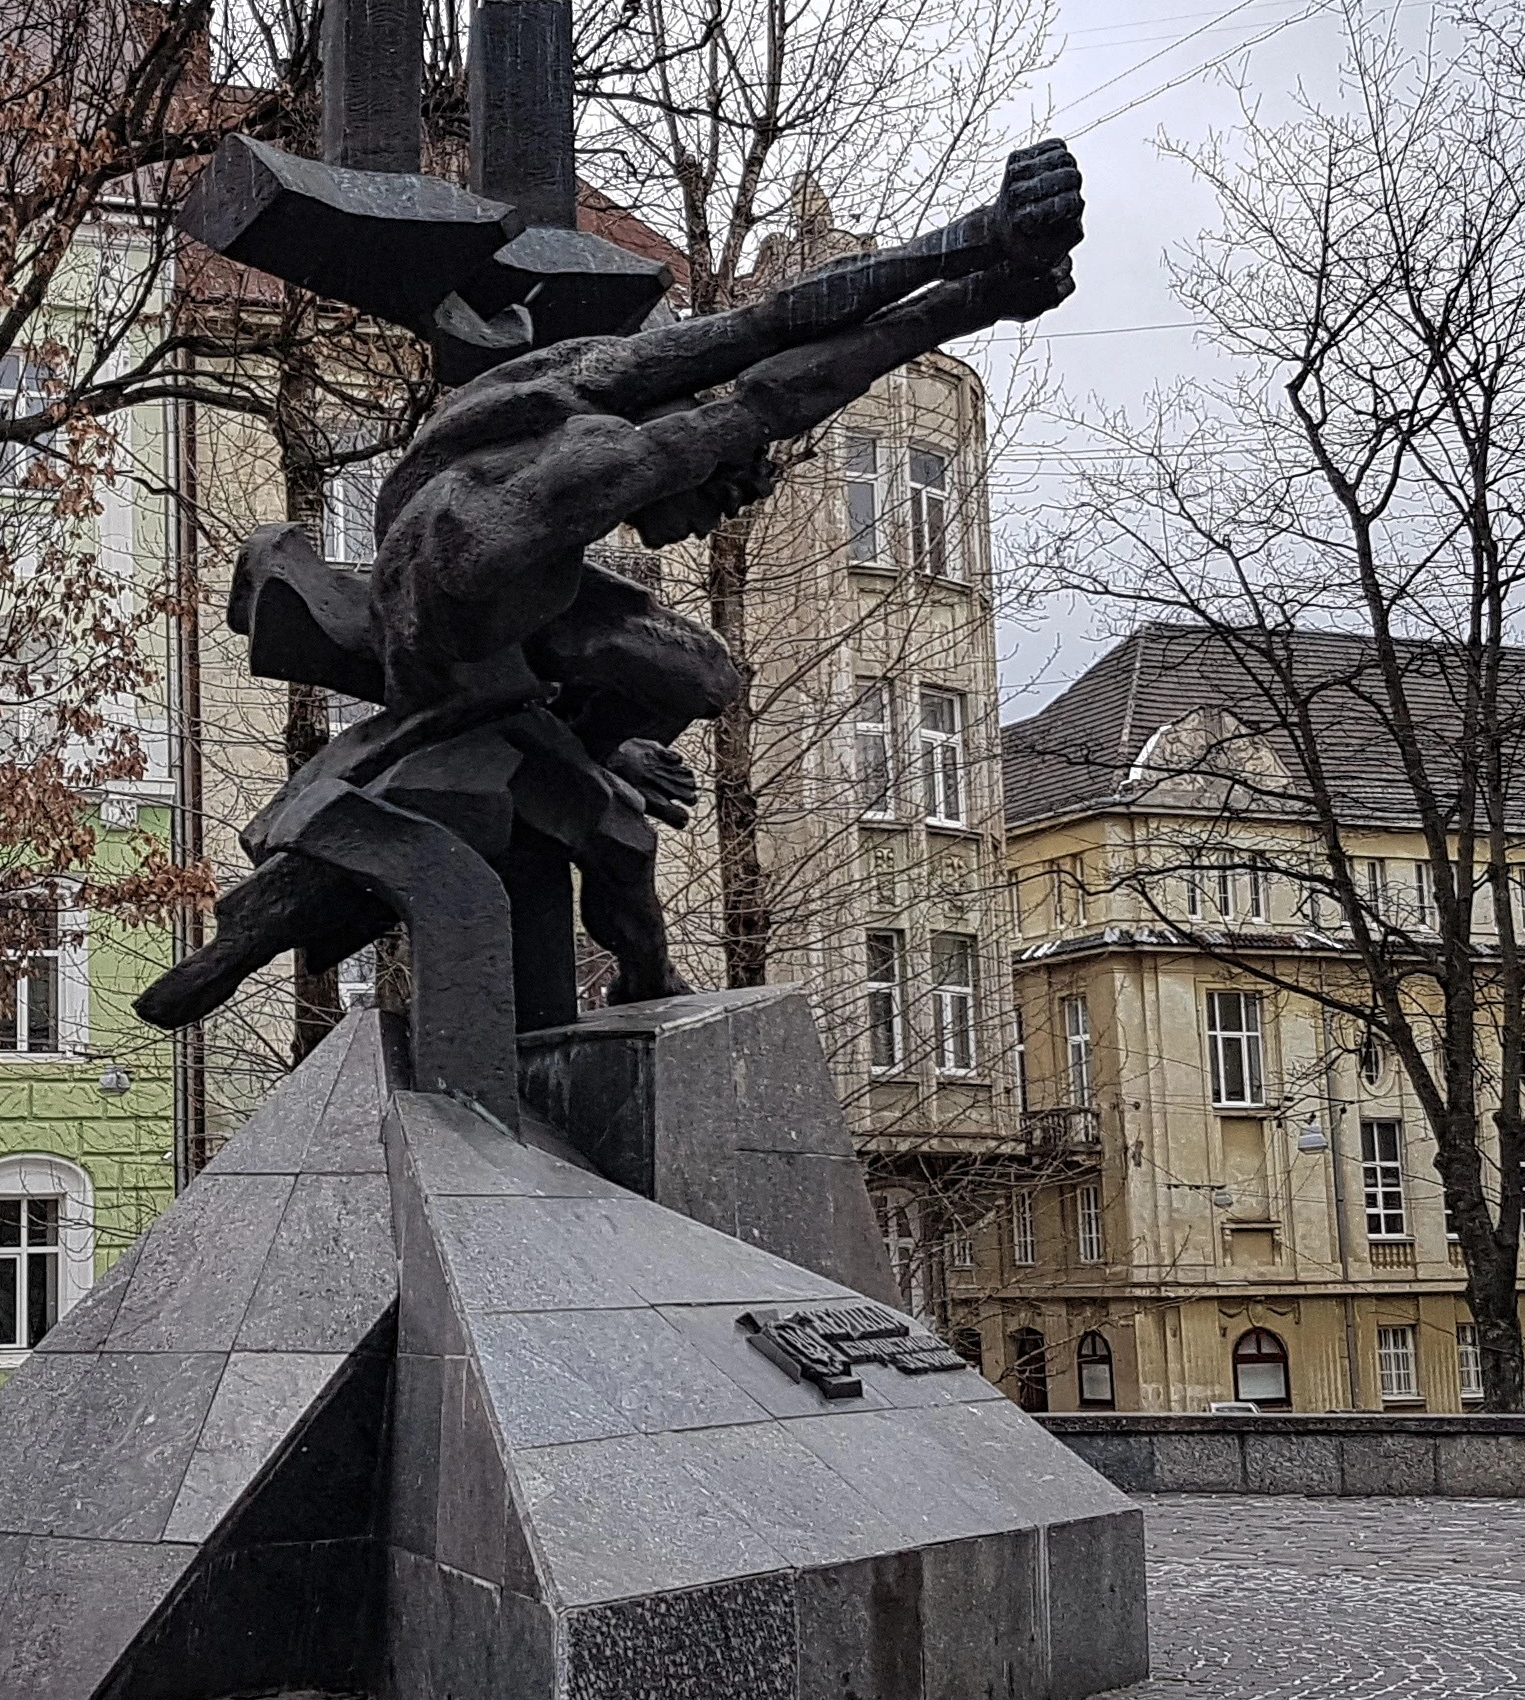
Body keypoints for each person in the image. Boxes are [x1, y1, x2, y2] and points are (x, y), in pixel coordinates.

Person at [136, 140, 1083, 1059]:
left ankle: (263, 942)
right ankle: (624, 977)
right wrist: (969, 294)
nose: (700, 526)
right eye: (718, 497)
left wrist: (974, 252)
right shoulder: (609, 466)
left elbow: (768, 324)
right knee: (621, 819)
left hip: (459, 621)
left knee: (686, 684)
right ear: (695, 456)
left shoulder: (559, 387)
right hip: (465, 668)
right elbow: (791, 385)